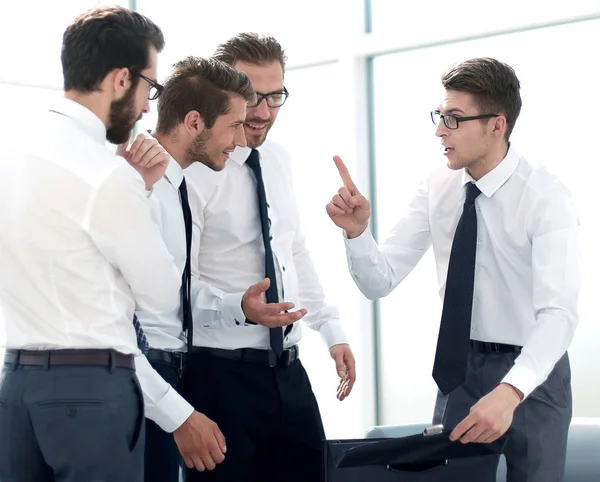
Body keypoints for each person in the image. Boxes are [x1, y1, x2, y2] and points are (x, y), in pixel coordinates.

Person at [327, 57, 579, 482]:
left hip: (535, 371)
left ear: (497, 125)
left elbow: (559, 315)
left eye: (454, 119)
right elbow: (378, 280)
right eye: (440, 116)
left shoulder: (545, 195)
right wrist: (356, 234)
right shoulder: (437, 185)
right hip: (459, 369)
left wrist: (511, 390)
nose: (439, 130)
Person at [0, 5, 179, 482]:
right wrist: (142, 191)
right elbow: (162, 297)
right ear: (121, 79)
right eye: (150, 88)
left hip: (14, 388)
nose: (147, 107)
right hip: (91, 394)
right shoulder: (106, 175)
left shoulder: (11, 151)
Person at [181, 33, 357, 482]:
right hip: (220, 377)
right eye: (251, 96)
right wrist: (240, 308)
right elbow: (173, 281)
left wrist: (330, 330)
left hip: (288, 373)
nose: (262, 111)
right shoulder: (193, 171)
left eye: (274, 95)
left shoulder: (278, 159)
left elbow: (292, 249)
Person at [131, 55, 255, 482]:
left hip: (170, 373)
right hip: (143, 377)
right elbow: (125, 318)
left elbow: (172, 287)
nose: (240, 141)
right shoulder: (138, 186)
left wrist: (239, 305)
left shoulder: (174, 184)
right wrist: (174, 412)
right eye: (234, 126)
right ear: (194, 122)